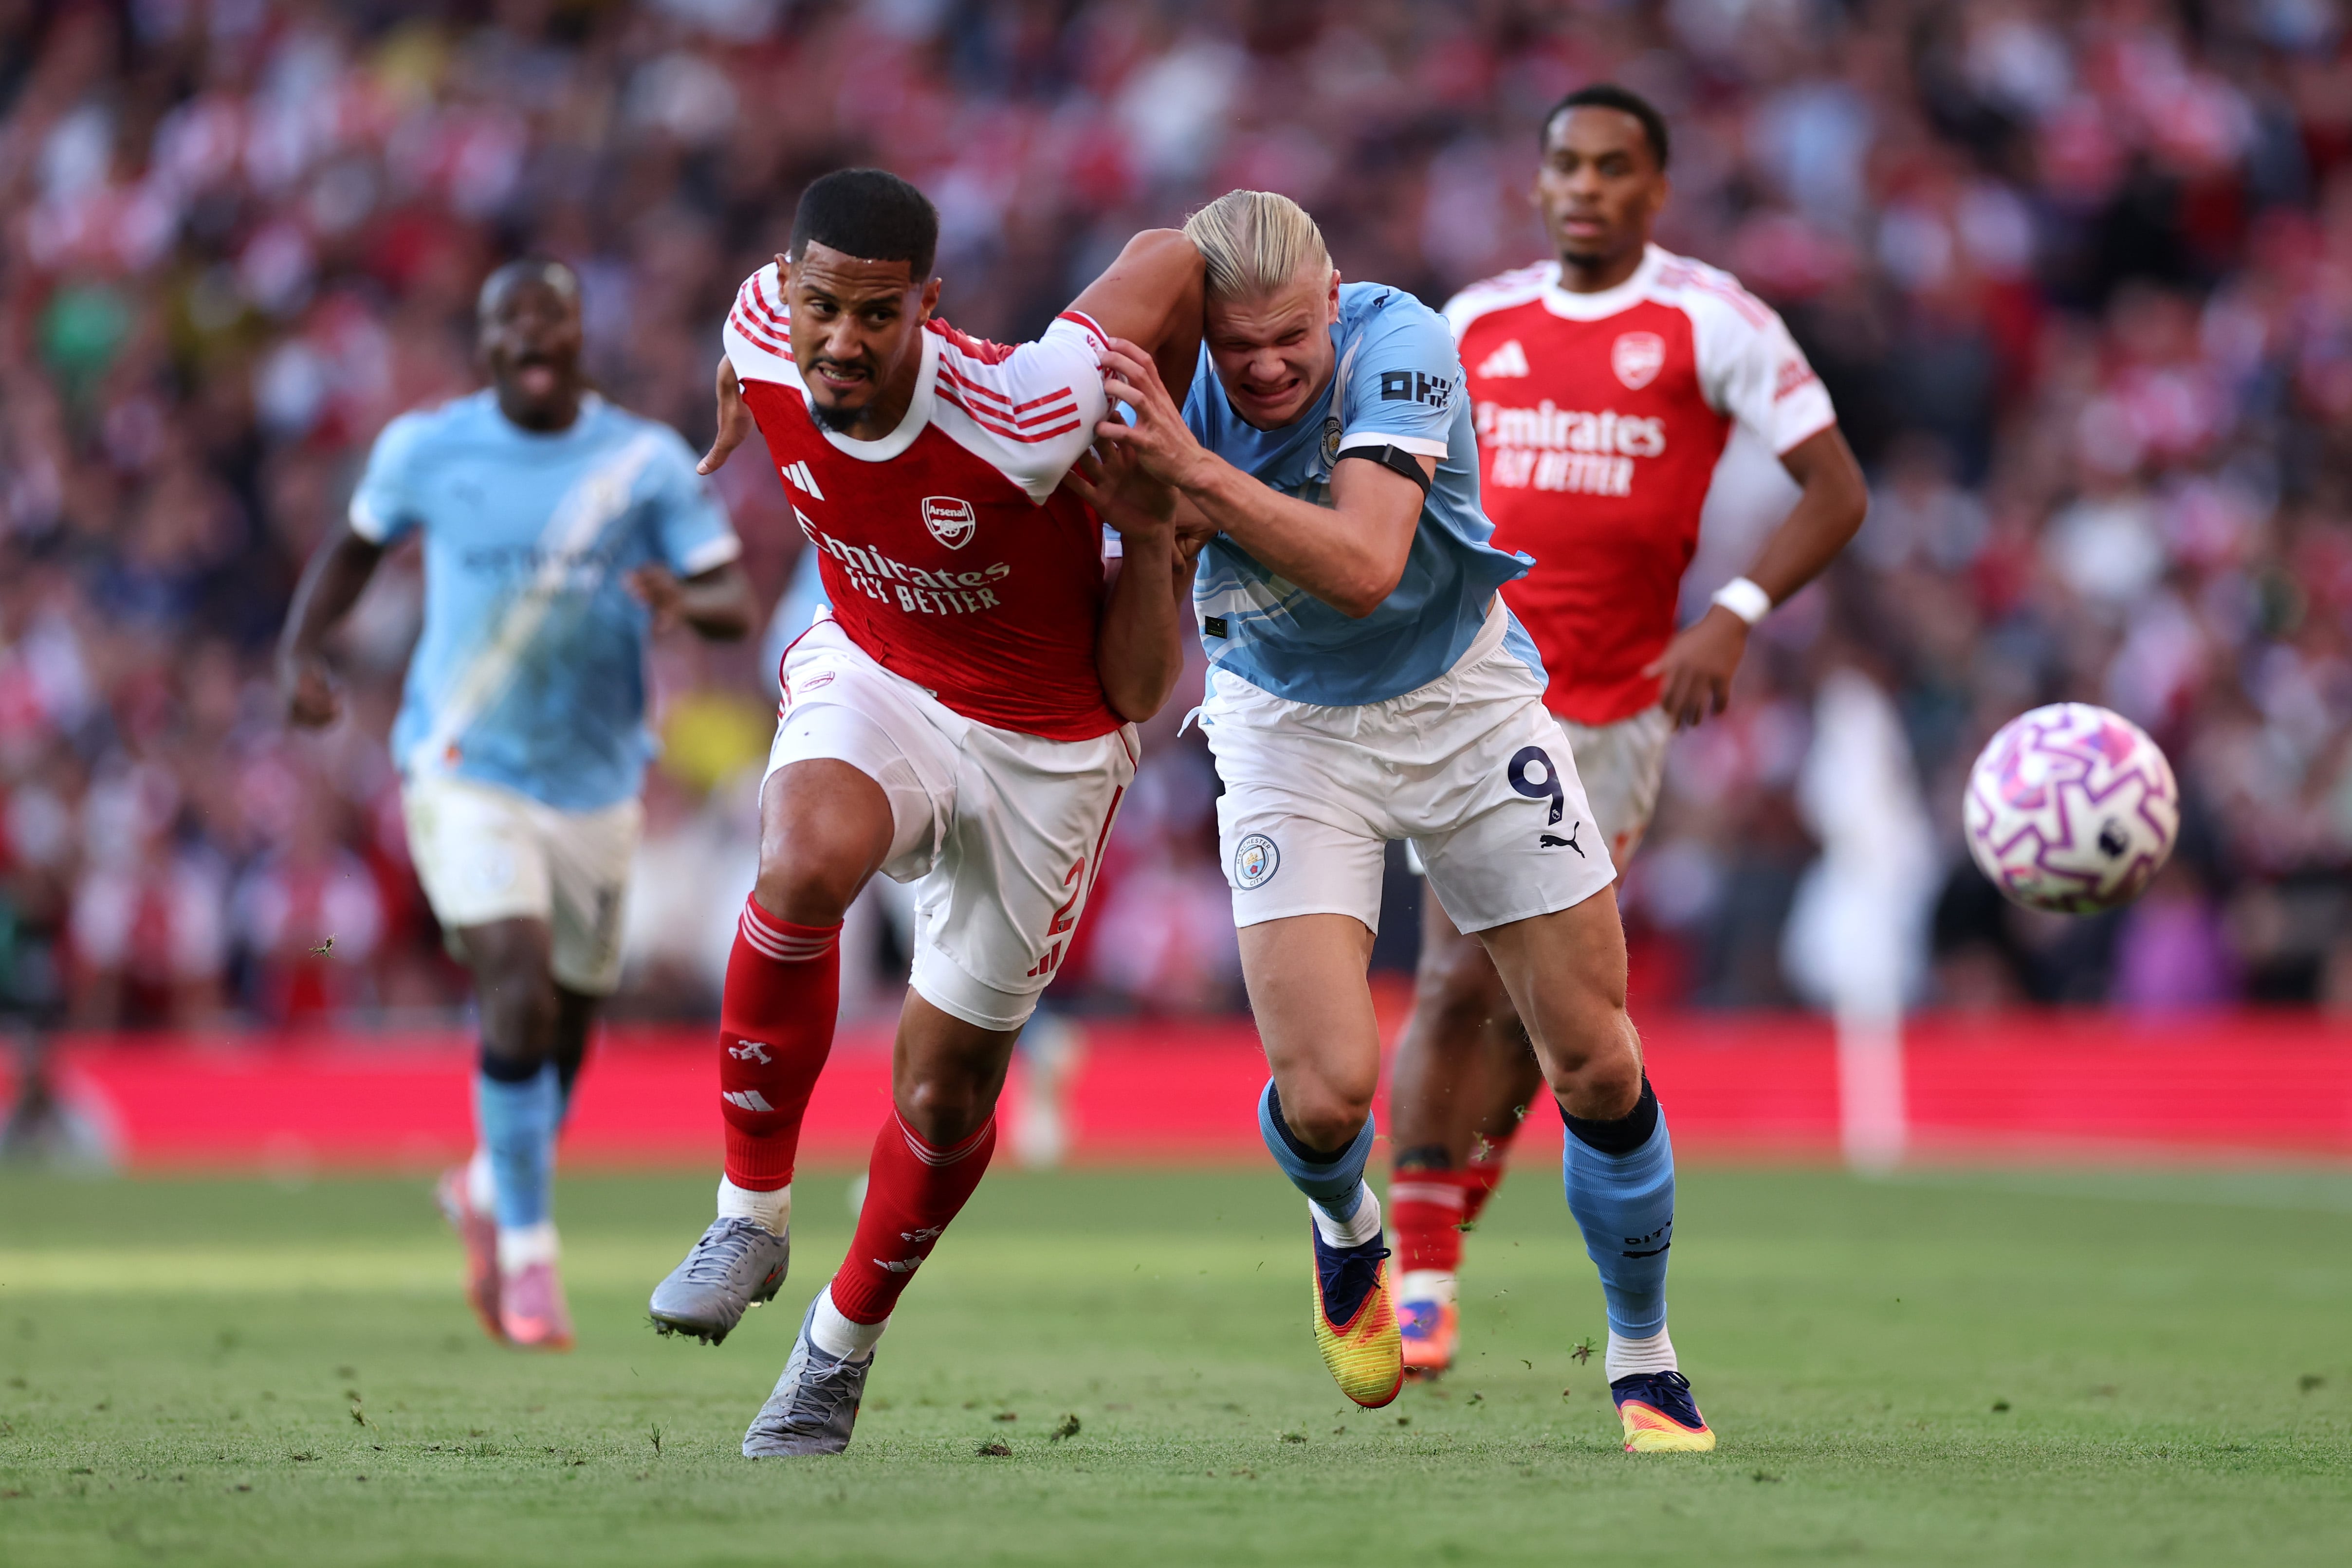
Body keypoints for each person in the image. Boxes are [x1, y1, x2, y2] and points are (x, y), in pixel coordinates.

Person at [1090, 187, 1707, 1450]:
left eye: (1289, 341)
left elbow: (1372, 568)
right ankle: (1346, 1227)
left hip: (1467, 703)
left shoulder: (1404, 341)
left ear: (1332, 304)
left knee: (1594, 1053)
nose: (1263, 367)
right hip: (1282, 724)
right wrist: (1153, 526)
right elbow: (1139, 679)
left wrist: (1194, 478)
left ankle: (1643, 1350)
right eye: (1233, 344)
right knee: (1324, 1097)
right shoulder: (1161, 402)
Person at [643, 168, 1199, 1457]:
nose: (841, 338)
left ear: (927, 309)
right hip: (881, 667)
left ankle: (835, 1351)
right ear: (786, 289)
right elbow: (750, 356)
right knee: (798, 856)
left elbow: (1172, 254)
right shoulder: (755, 329)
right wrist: (730, 398)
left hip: (1045, 740)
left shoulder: (1031, 402)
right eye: (820, 305)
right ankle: (749, 1214)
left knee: (945, 1097)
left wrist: (1169, 484)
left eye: (877, 316)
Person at [1387, 84, 1866, 1381]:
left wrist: (1737, 610)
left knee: (1560, 1008)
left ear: (1656, 191)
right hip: (1478, 689)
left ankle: (1448, 1205)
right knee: (1452, 968)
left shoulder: (1715, 320)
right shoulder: (1469, 324)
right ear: (1536, 185)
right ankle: (1420, 1269)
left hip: (1621, 714)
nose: (1585, 186)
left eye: (1613, 168)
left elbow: (1838, 487)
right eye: (1565, 165)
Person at [279, 259, 757, 1349]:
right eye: (512, 323)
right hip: (461, 762)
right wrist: (302, 652)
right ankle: (534, 1260)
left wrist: (682, 598)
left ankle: (491, 1188)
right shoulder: (426, 449)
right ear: (487, 341)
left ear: (580, 337)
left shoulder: (638, 463)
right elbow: (352, 553)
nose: (534, 338)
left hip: (594, 781)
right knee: (512, 968)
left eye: (554, 319)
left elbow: (729, 594)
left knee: (569, 1017)